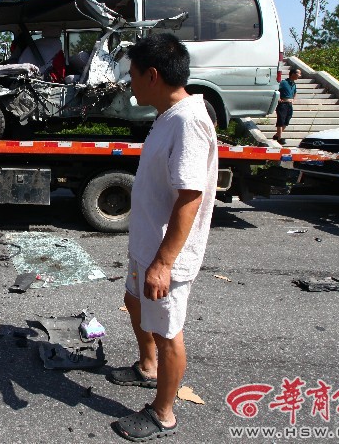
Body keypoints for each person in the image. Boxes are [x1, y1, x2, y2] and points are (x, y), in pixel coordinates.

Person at [108, 33, 218, 442]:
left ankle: (163, 413)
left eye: (132, 75)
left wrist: (164, 263)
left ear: (152, 75)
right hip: (147, 245)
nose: (129, 83)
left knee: (168, 331)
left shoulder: (188, 121)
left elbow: (190, 197)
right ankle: (146, 367)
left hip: (165, 254)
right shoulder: (167, 116)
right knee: (132, 301)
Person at [273, 67, 301, 144]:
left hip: (289, 104)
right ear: (292, 74)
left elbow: (295, 92)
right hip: (283, 104)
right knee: (281, 120)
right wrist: (278, 98)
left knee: (286, 120)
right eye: (298, 73)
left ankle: (276, 135)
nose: (299, 75)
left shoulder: (294, 84)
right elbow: (276, 89)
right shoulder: (284, 82)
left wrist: (293, 100)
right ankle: (279, 138)